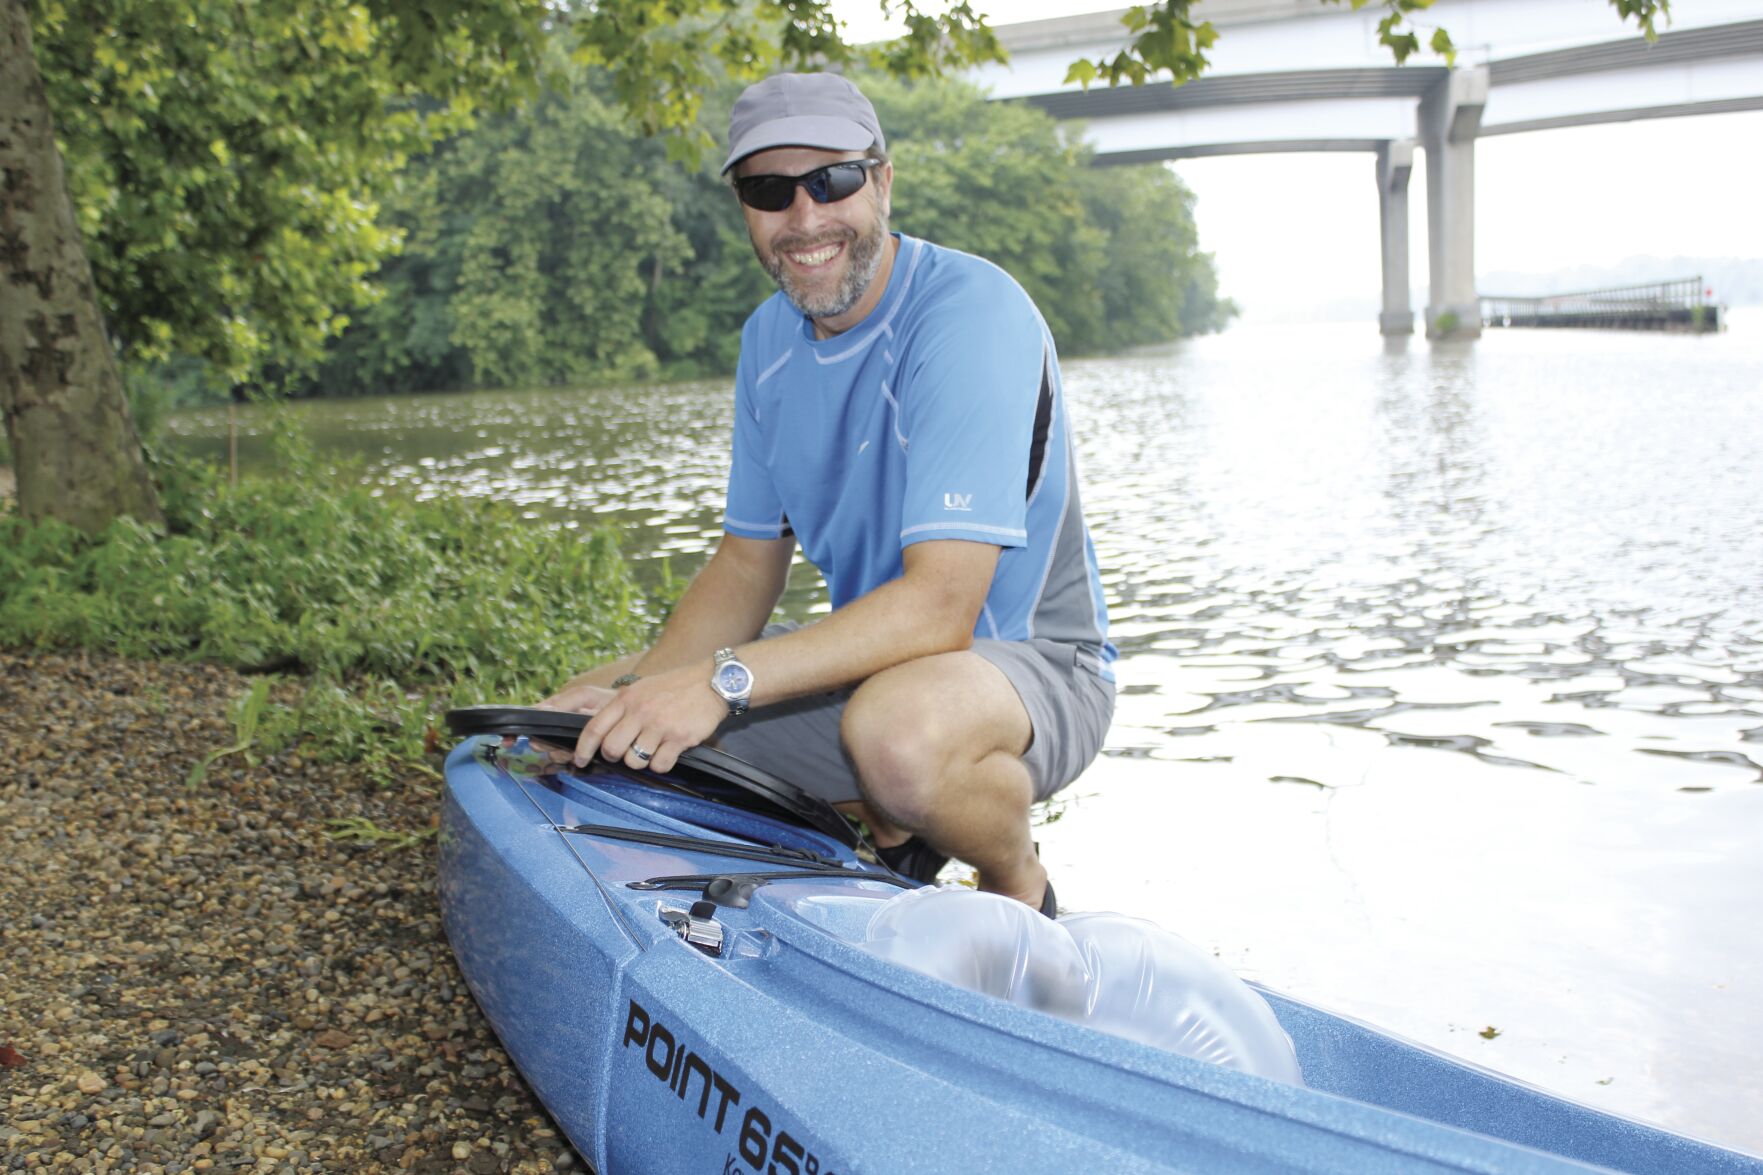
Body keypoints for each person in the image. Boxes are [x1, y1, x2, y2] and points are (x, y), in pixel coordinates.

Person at [541, 72, 1115, 914]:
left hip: (1031, 662)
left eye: (832, 180)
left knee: (895, 735)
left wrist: (719, 682)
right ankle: (887, 831)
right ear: (745, 208)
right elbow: (745, 565)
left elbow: (939, 611)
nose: (804, 218)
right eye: (770, 191)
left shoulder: (971, 314)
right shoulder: (766, 342)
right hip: (874, 665)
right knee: (582, 714)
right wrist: (635, 703)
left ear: (881, 180)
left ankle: (1016, 884)